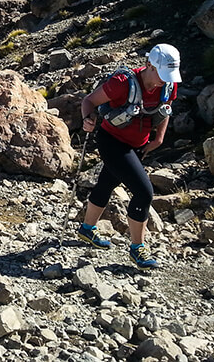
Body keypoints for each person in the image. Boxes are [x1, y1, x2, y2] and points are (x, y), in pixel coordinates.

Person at [76, 43, 181, 269]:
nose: (165, 80)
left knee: (107, 183)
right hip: (112, 141)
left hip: (139, 145)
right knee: (144, 192)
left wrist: (159, 138)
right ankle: (137, 249)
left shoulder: (168, 84)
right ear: (149, 65)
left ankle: (86, 229)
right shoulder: (122, 83)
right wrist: (87, 119)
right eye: (162, 74)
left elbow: (166, 108)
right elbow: (89, 101)